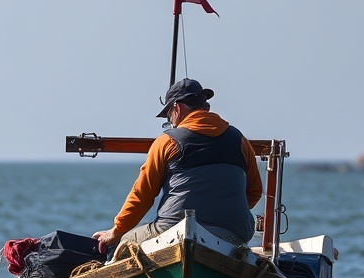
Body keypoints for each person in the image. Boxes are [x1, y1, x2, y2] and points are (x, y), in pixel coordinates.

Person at [92, 78, 263, 254]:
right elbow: (255, 191)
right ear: (206, 108)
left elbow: (142, 195)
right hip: (232, 235)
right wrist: (223, 213)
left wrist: (117, 231)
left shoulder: (167, 142)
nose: (170, 121)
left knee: (124, 245)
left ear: (177, 108)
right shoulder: (240, 141)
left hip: (173, 231)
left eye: (168, 115)